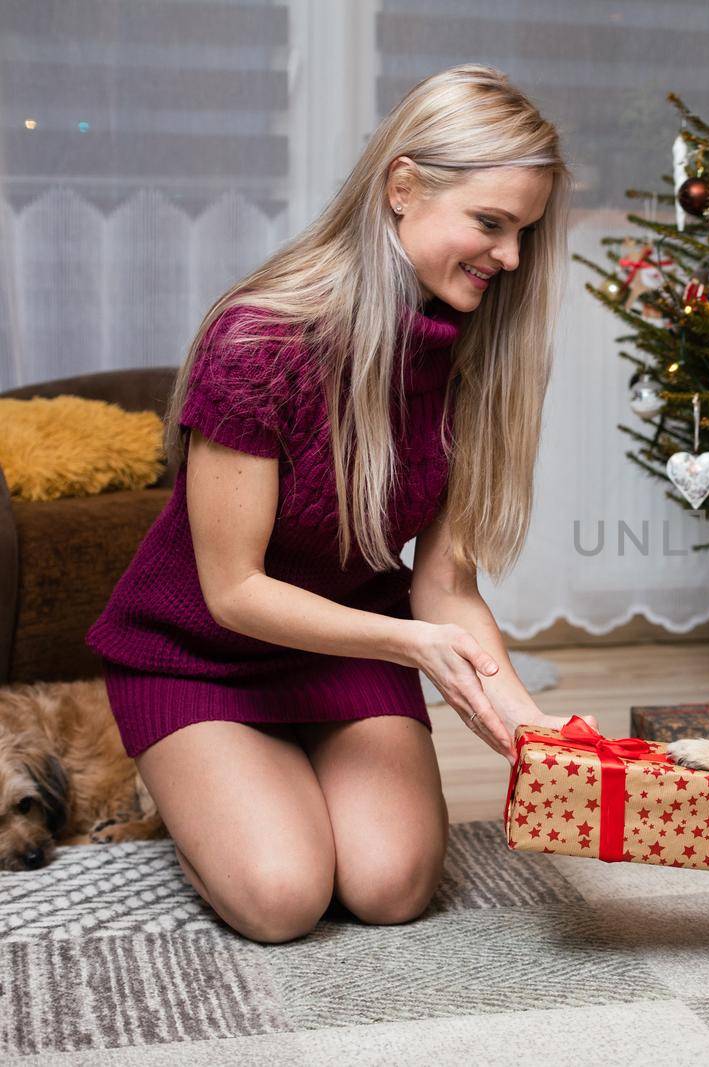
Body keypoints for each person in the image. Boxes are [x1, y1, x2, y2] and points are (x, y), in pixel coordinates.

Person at [86, 66, 580, 944]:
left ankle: (279, 779)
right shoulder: (260, 342)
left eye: (523, 234)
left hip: (347, 641)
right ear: (402, 188)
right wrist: (410, 646)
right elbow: (233, 590)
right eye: (490, 224)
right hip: (201, 652)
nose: (509, 258)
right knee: (284, 896)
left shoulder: (477, 358)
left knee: (390, 887)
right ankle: (193, 785)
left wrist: (537, 732)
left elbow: (447, 588)